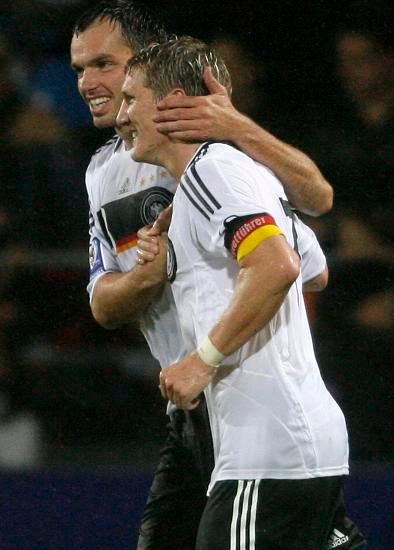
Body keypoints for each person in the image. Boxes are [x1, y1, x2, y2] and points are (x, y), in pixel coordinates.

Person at [71, 2, 334, 547]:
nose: (88, 83)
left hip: (249, 403)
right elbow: (102, 303)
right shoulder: (104, 173)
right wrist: (153, 273)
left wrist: (241, 128)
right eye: (78, 70)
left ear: (145, 67)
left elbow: (311, 218)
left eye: (103, 65)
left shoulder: (216, 157)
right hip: (196, 411)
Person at [121, 36, 367, 549]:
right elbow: (313, 270)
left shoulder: (213, 170)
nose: (120, 116)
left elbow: (278, 266)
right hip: (298, 444)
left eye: (130, 99)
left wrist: (202, 359)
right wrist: (196, 252)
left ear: (172, 104)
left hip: (265, 448)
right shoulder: (244, 177)